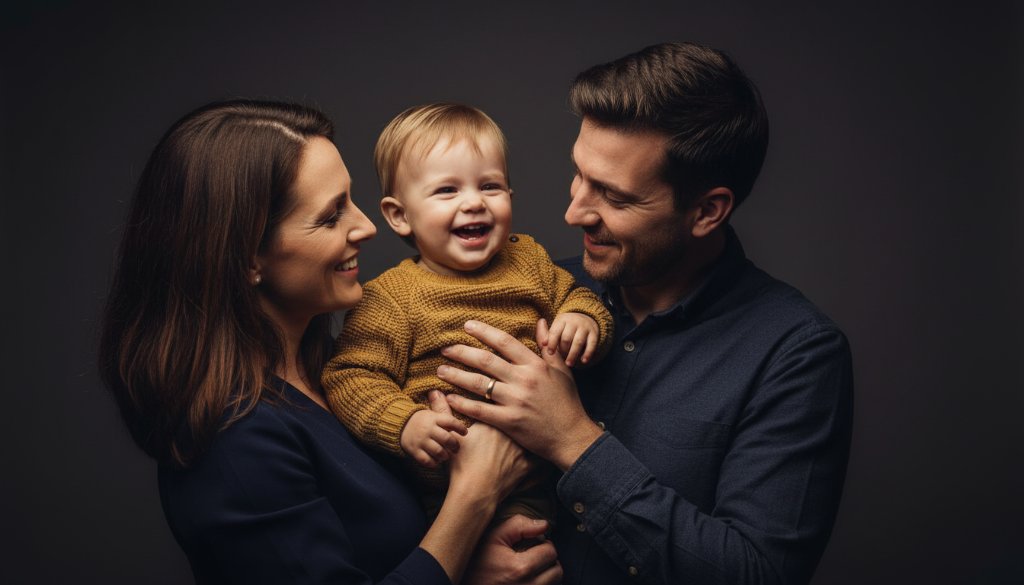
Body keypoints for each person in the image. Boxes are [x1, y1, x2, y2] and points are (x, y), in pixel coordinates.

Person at [437, 42, 854, 584]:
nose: (573, 211)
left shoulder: (797, 353)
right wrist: (463, 556)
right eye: (578, 174)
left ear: (707, 211)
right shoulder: (531, 290)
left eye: (613, 196)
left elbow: (757, 575)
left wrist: (573, 440)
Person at [98, 99, 561, 585]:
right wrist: (475, 497)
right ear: (247, 257)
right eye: (330, 216)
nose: (364, 227)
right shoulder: (233, 444)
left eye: (352, 201)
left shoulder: (336, 373)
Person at [321, 103, 613, 522]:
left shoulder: (528, 258)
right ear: (400, 216)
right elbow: (350, 376)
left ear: (510, 196)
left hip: (544, 478)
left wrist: (582, 321)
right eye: (447, 190)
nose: (474, 203)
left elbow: (577, 298)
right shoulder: (389, 298)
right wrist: (406, 423)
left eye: (490, 186)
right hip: (445, 490)